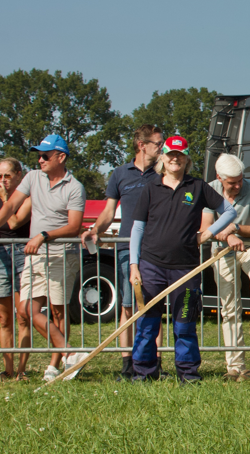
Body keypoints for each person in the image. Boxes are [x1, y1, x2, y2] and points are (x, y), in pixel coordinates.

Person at [128, 136, 238, 383]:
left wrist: (209, 232)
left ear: (187, 158)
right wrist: (134, 266)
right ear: (162, 158)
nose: (174, 158)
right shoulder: (150, 188)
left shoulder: (197, 187)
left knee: (184, 324)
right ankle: (144, 373)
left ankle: (188, 374)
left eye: (179, 154)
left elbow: (230, 211)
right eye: (170, 154)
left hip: (186, 269)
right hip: (150, 266)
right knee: (147, 324)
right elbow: (137, 228)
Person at [0, 135, 88, 382]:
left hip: (61, 253)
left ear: (60, 157)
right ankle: (71, 353)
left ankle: (54, 366)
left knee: (58, 312)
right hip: (35, 254)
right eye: (38, 155)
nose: (40, 159)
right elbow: (10, 208)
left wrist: (43, 235)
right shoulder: (32, 177)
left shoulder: (75, 187)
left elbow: (74, 226)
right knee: (27, 309)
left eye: (45, 155)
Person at [81, 124, 166, 381]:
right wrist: (95, 229)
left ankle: (155, 365)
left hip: (155, 249)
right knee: (128, 307)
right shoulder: (119, 174)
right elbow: (108, 212)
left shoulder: (162, 174)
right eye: (158, 143)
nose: (161, 147)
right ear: (142, 145)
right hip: (127, 248)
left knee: (153, 307)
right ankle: (127, 365)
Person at [200, 153, 250, 382]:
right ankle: (235, 366)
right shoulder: (208, 189)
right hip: (221, 250)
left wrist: (235, 228)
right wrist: (228, 237)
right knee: (229, 306)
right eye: (232, 182)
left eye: (241, 180)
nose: (239, 185)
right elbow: (206, 227)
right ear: (219, 178)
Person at [0, 158, 32, 381]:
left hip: (23, 255)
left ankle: (22, 370)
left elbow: (13, 222)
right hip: (0, 257)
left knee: (23, 316)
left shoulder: (27, 200)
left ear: (18, 176)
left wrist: (6, 199)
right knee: (4, 319)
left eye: (7, 176)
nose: (3, 181)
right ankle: (8, 369)